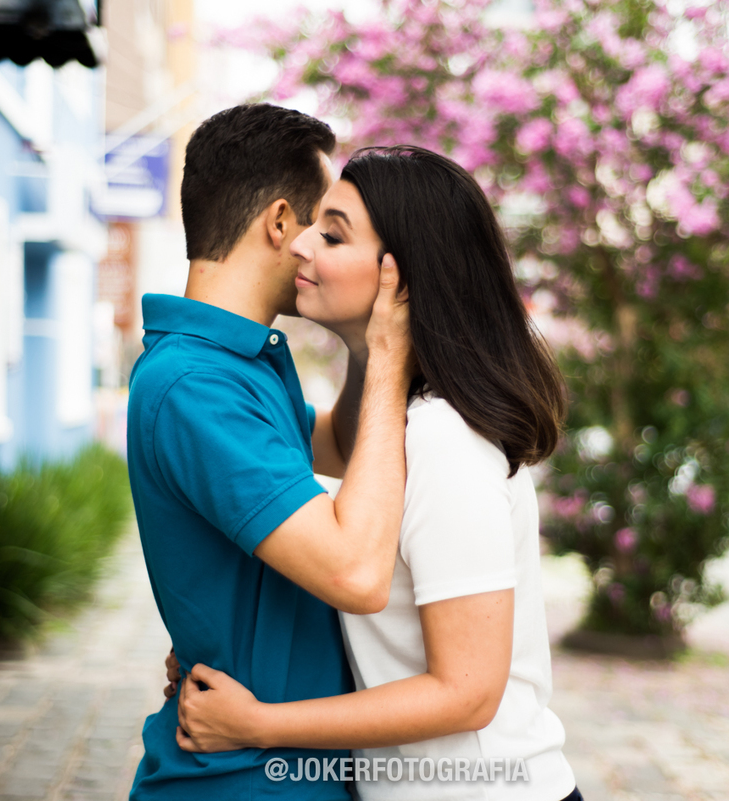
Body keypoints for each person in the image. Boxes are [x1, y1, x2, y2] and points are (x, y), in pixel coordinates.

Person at [169, 146, 582, 801]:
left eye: (331, 234)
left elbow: (468, 692)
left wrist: (259, 724)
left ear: (405, 278)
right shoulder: (390, 424)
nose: (300, 244)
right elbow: (280, 447)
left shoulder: (445, 437)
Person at [126, 105, 415, 800]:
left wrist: (359, 335)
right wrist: (388, 352)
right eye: (326, 227)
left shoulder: (240, 364)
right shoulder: (198, 385)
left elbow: (348, 447)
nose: (326, 252)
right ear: (280, 223)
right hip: (244, 779)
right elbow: (356, 574)